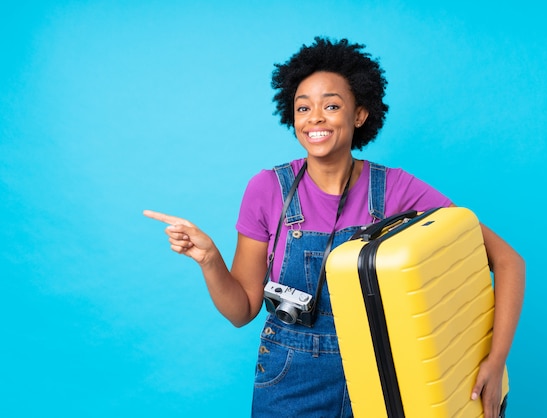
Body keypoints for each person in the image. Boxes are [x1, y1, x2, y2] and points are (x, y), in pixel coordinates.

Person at [144, 37, 525, 418]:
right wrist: (209, 259)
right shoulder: (267, 190)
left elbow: (508, 260)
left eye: (331, 105)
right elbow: (243, 310)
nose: (315, 118)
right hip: (289, 379)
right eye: (303, 107)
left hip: (386, 373)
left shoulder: (396, 189)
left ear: (359, 114)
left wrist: (495, 361)